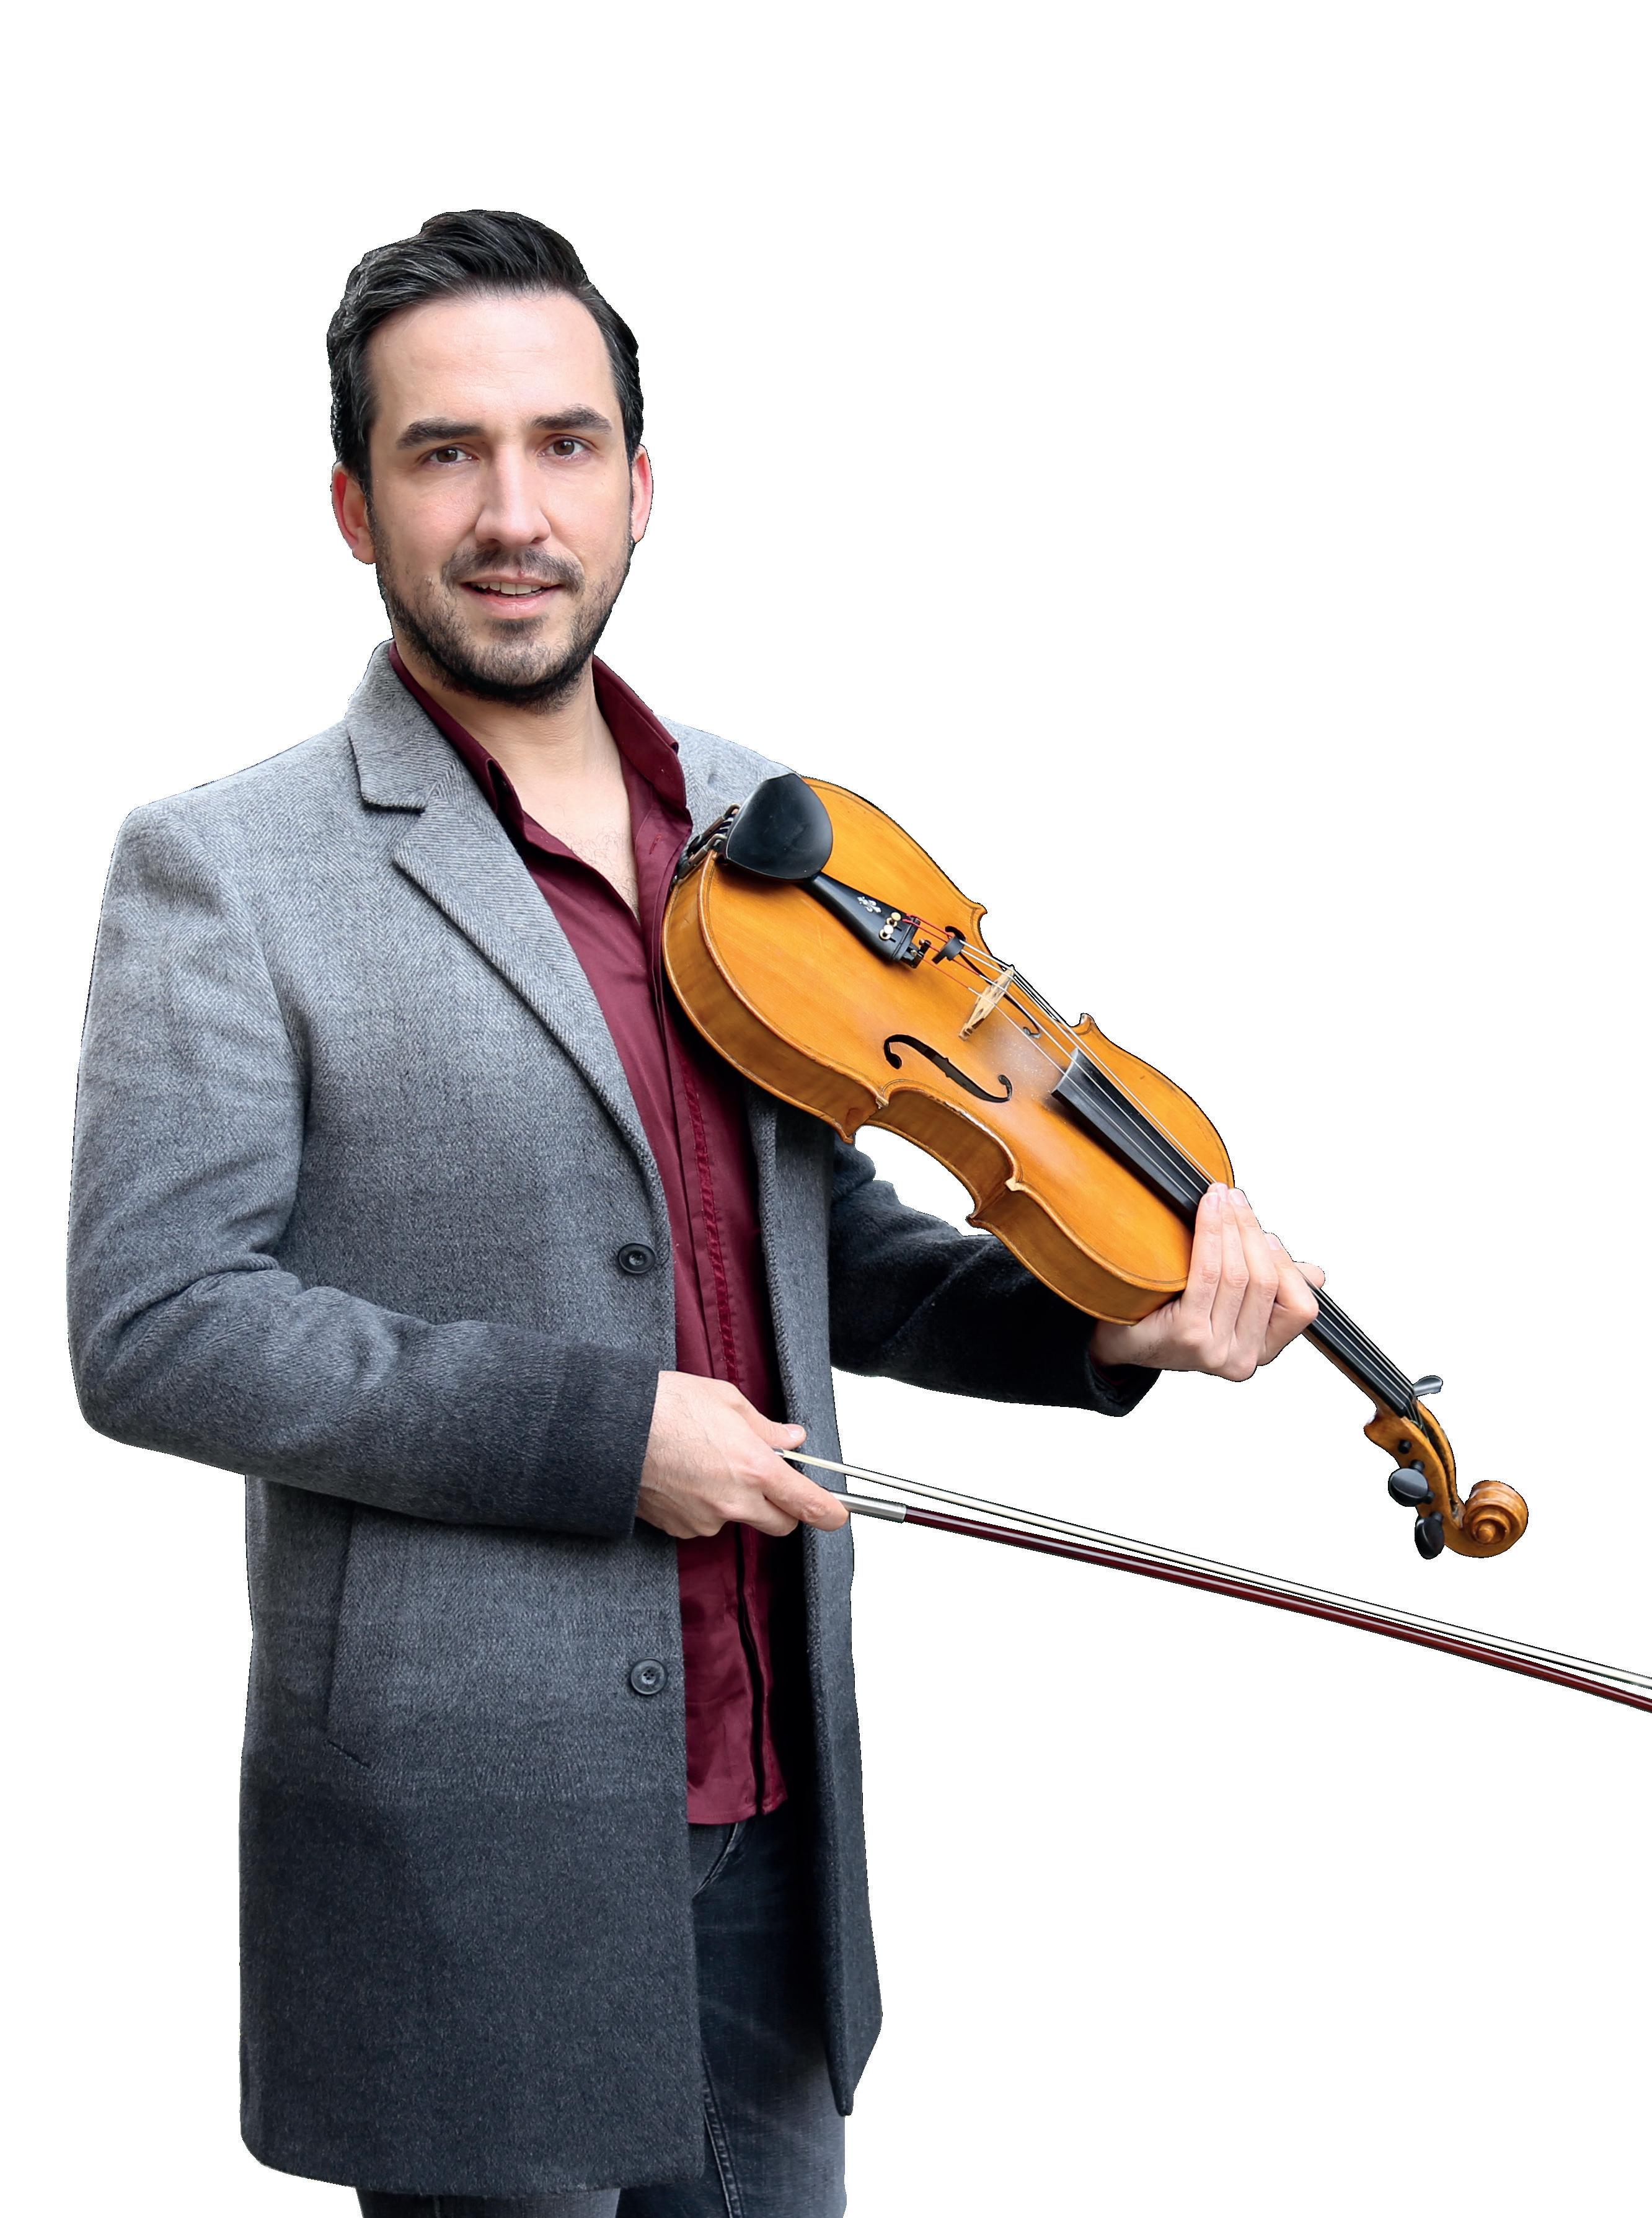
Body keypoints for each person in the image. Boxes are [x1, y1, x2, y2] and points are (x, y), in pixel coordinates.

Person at [67, 210, 1323, 2217]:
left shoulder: (774, 837)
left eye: (563, 445)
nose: (512, 512)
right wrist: (604, 1434)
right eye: (445, 451)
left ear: (638, 486)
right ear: (352, 503)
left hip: (772, 1815)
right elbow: (162, 1324)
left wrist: (1099, 1318)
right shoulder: (226, 865)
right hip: (468, 1834)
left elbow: (833, 1252)